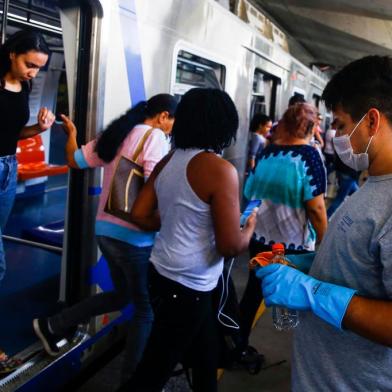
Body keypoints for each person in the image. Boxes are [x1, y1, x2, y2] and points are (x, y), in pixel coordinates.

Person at [257, 55, 392, 391]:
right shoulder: (372, 183)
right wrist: (311, 265)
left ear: (372, 121)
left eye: (342, 125)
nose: (335, 135)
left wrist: (312, 291)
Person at [119, 88, 257, 392]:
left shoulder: (170, 160)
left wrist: (176, 218)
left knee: (206, 355)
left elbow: (140, 215)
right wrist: (249, 227)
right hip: (189, 285)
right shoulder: (221, 170)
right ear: (224, 125)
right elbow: (230, 246)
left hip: (161, 272)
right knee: (152, 372)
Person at [33, 94, 177, 380]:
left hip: (105, 232)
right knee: (145, 311)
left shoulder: (118, 133)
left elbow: (75, 160)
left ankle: (53, 325)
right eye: (173, 121)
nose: (172, 127)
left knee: (123, 296)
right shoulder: (155, 137)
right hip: (134, 237)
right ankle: (133, 383)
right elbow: (155, 185)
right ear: (162, 116)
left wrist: (72, 134)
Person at [238, 103, 328, 354]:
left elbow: (250, 194)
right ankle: (299, 352)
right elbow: (316, 208)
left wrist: (245, 227)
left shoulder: (268, 153)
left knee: (253, 293)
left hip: (260, 239)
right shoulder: (309, 157)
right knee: (298, 297)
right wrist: (325, 240)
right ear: (311, 127)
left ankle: (239, 345)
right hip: (294, 246)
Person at [0, 29, 55, 367]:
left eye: (38, 68)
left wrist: (39, 129)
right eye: (29, 64)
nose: (32, 73)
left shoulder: (24, 87)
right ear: (11, 53)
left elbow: (11, 133)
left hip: (8, 168)